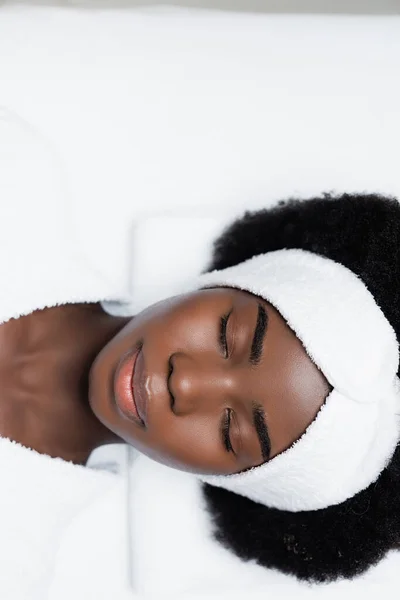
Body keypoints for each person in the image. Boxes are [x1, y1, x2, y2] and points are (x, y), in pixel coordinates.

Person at [2, 180, 399, 584]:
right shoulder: (17, 183)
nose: (186, 384)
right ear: (227, 282)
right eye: (228, 334)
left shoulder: (14, 562)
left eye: (231, 432)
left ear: (228, 480)